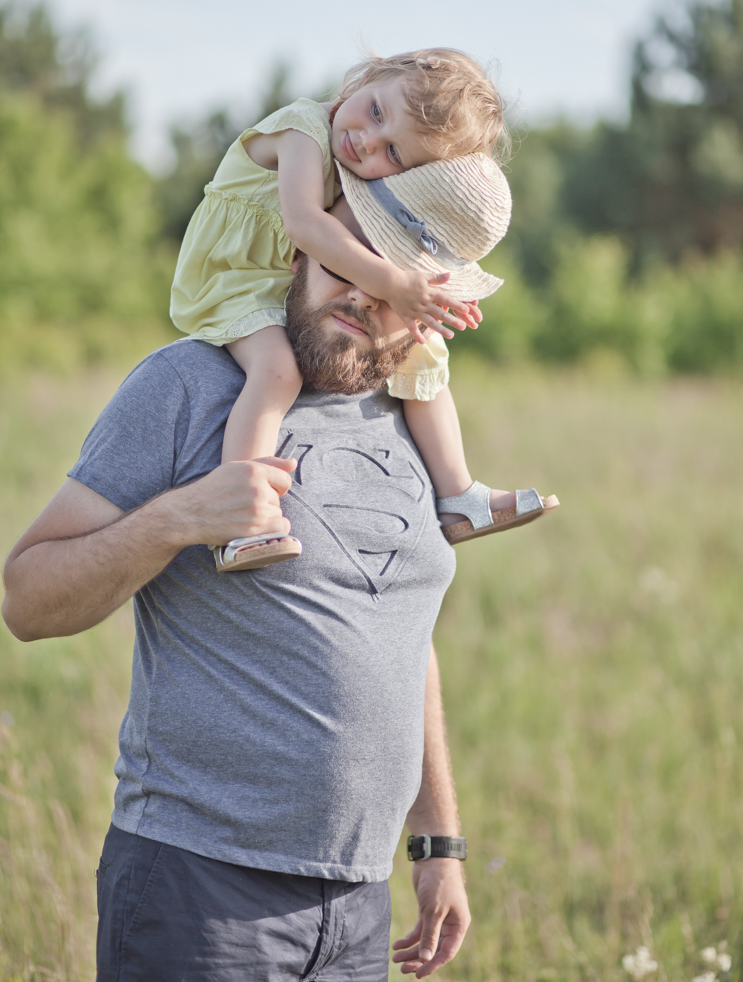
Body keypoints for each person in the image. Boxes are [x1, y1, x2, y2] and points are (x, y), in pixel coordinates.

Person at [2, 196, 480, 980]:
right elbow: (26, 599)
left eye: (391, 286)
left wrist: (438, 843)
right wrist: (178, 519)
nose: (362, 295)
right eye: (345, 266)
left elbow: (402, 640)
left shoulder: (410, 423)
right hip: (198, 888)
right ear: (298, 257)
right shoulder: (189, 384)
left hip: (361, 902)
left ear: (425, 318)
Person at [170, 48, 555, 572]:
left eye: (394, 154)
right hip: (234, 273)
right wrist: (396, 284)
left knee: (424, 353)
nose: (367, 140)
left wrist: (433, 297)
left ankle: (458, 495)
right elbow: (306, 224)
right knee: (278, 370)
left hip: (286, 269)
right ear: (370, 76)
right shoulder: (304, 129)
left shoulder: (357, 161)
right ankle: (241, 515)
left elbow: (399, 229)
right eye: (376, 111)